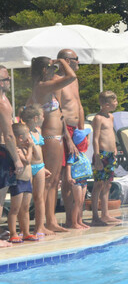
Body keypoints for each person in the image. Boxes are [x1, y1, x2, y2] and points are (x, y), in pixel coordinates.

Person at [29, 56, 76, 233]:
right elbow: (71, 76)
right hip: (50, 137)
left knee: (55, 180)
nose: (54, 71)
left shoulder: (43, 86)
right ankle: (45, 223)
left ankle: (51, 220)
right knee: (49, 182)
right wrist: (62, 62)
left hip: (55, 136)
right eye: (52, 68)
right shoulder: (42, 86)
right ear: (43, 70)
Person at [54, 49, 84, 227]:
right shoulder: (58, 81)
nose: (78, 62)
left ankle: (75, 218)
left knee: (77, 174)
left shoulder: (74, 80)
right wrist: (68, 137)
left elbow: (78, 104)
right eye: (76, 59)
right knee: (66, 177)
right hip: (65, 131)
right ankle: (68, 219)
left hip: (77, 131)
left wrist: (81, 131)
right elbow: (58, 110)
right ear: (67, 61)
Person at [19, 105, 51, 237]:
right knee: (25, 200)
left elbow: (40, 151)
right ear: (36, 118)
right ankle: (23, 229)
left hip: (39, 167)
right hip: (28, 167)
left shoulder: (38, 131)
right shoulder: (25, 132)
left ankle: (40, 227)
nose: (44, 118)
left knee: (40, 198)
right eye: (42, 116)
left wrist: (44, 167)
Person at [0, 65, 23, 243]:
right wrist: (17, 160)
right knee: (0, 197)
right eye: (6, 78)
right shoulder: (2, 103)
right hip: (2, 151)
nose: (9, 81)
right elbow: (8, 135)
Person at [91, 91, 121, 226]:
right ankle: (95, 216)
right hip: (101, 154)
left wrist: (114, 148)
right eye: (115, 101)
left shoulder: (111, 117)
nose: (117, 103)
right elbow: (96, 139)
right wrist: (97, 157)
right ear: (106, 104)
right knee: (98, 184)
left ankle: (105, 214)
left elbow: (111, 134)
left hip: (110, 154)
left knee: (107, 184)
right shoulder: (98, 118)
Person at [8, 123, 36, 243]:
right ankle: (13, 233)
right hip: (18, 182)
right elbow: (27, 161)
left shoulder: (24, 148)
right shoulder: (17, 150)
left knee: (25, 208)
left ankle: (26, 232)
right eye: (28, 135)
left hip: (27, 181)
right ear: (20, 138)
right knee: (15, 209)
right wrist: (30, 147)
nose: (29, 138)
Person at [66, 122, 92, 229]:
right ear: (81, 142)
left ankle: (79, 221)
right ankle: (74, 222)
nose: (87, 141)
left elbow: (89, 139)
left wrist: (88, 134)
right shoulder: (74, 153)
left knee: (81, 202)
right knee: (77, 202)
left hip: (84, 181)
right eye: (85, 139)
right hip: (76, 180)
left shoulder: (82, 153)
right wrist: (68, 177)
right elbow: (69, 165)